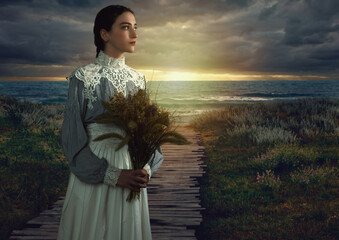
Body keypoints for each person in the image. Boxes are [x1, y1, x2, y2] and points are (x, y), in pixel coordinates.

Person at [57, 5, 164, 240]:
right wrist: (113, 175)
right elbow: (72, 139)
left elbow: (148, 132)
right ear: (104, 34)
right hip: (96, 171)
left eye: (135, 28)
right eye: (126, 28)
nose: (134, 35)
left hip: (131, 168)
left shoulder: (139, 79)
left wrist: (145, 169)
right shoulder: (82, 77)